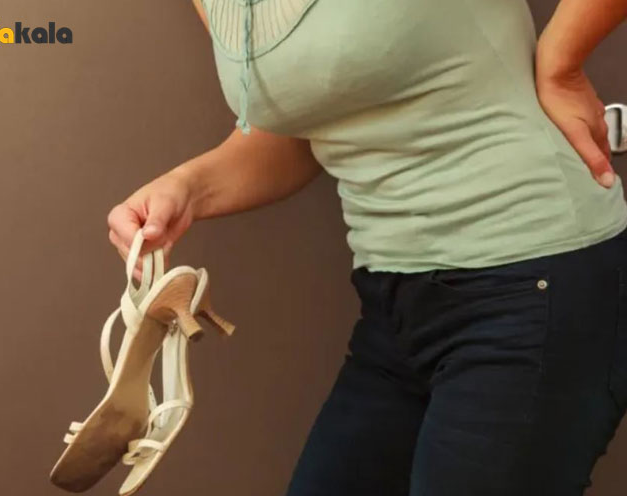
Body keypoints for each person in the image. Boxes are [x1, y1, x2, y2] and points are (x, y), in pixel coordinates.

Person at [107, 0, 627, 494]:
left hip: (533, 278)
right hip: (395, 307)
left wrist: (561, 64)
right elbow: (307, 121)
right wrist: (187, 188)